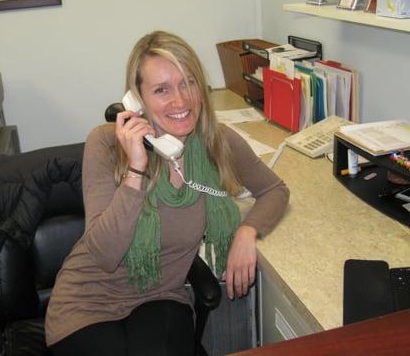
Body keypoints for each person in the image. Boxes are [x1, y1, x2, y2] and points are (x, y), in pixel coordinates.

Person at [45, 31, 290, 356]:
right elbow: (105, 255)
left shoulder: (218, 142)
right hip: (87, 302)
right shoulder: (105, 144)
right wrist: (136, 169)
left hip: (160, 298)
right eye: (162, 90)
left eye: (188, 83)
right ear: (137, 100)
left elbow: (275, 190)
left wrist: (247, 232)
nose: (181, 101)